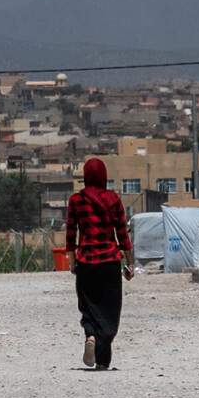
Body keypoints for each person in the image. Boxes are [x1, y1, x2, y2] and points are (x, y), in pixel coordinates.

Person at [66, 158, 134, 371]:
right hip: (109, 262)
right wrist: (130, 264)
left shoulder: (76, 200)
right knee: (109, 310)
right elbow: (122, 234)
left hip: (86, 261)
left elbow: (71, 234)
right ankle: (103, 361)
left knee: (88, 306)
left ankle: (91, 336)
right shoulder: (113, 199)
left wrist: (72, 262)